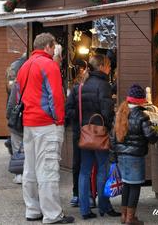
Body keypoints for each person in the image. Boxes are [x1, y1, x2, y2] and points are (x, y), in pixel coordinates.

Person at [16, 33, 74, 224]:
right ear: (49, 46)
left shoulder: (24, 66)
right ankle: (52, 214)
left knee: (30, 169)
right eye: (55, 46)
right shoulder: (49, 65)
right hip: (46, 124)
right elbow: (56, 96)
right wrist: (59, 121)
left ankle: (32, 209)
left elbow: (18, 97)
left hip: (29, 123)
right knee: (48, 169)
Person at [66, 54, 120, 220]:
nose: (110, 68)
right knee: (102, 169)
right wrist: (108, 124)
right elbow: (107, 111)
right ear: (102, 66)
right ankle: (104, 205)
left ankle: (85, 209)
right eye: (109, 65)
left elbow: (68, 111)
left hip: (83, 135)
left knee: (84, 171)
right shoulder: (104, 86)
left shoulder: (79, 86)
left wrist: (83, 119)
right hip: (100, 134)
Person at [112, 84, 158, 225]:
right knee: (135, 187)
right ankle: (130, 218)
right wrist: (155, 132)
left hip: (121, 156)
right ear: (140, 101)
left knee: (126, 185)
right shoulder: (142, 116)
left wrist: (113, 155)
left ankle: (124, 216)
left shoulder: (120, 113)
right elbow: (150, 136)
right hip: (135, 157)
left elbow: (113, 137)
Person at [65, 59, 89, 207]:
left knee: (79, 163)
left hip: (79, 129)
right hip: (88, 130)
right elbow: (68, 110)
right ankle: (83, 194)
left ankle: (78, 194)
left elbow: (68, 110)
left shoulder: (74, 90)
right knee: (84, 164)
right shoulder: (76, 90)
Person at [6, 55, 27, 184]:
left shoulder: (17, 84)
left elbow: (11, 102)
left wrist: (9, 116)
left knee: (17, 147)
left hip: (17, 120)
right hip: (30, 119)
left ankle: (19, 174)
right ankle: (28, 173)